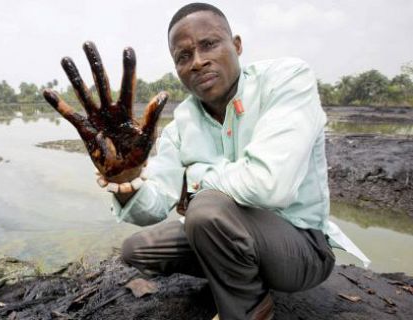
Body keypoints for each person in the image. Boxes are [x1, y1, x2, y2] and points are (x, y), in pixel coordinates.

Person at [44, 3, 369, 319]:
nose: (197, 62)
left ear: (237, 45)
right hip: (233, 234)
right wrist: (124, 180)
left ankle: (250, 309)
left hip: (301, 247)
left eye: (209, 44)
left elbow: (270, 186)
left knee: (204, 209)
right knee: (137, 249)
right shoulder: (182, 122)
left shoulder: (285, 79)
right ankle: (235, 269)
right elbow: (155, 204)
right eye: (183, 56)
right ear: (177, 68)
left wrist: (197, 179)